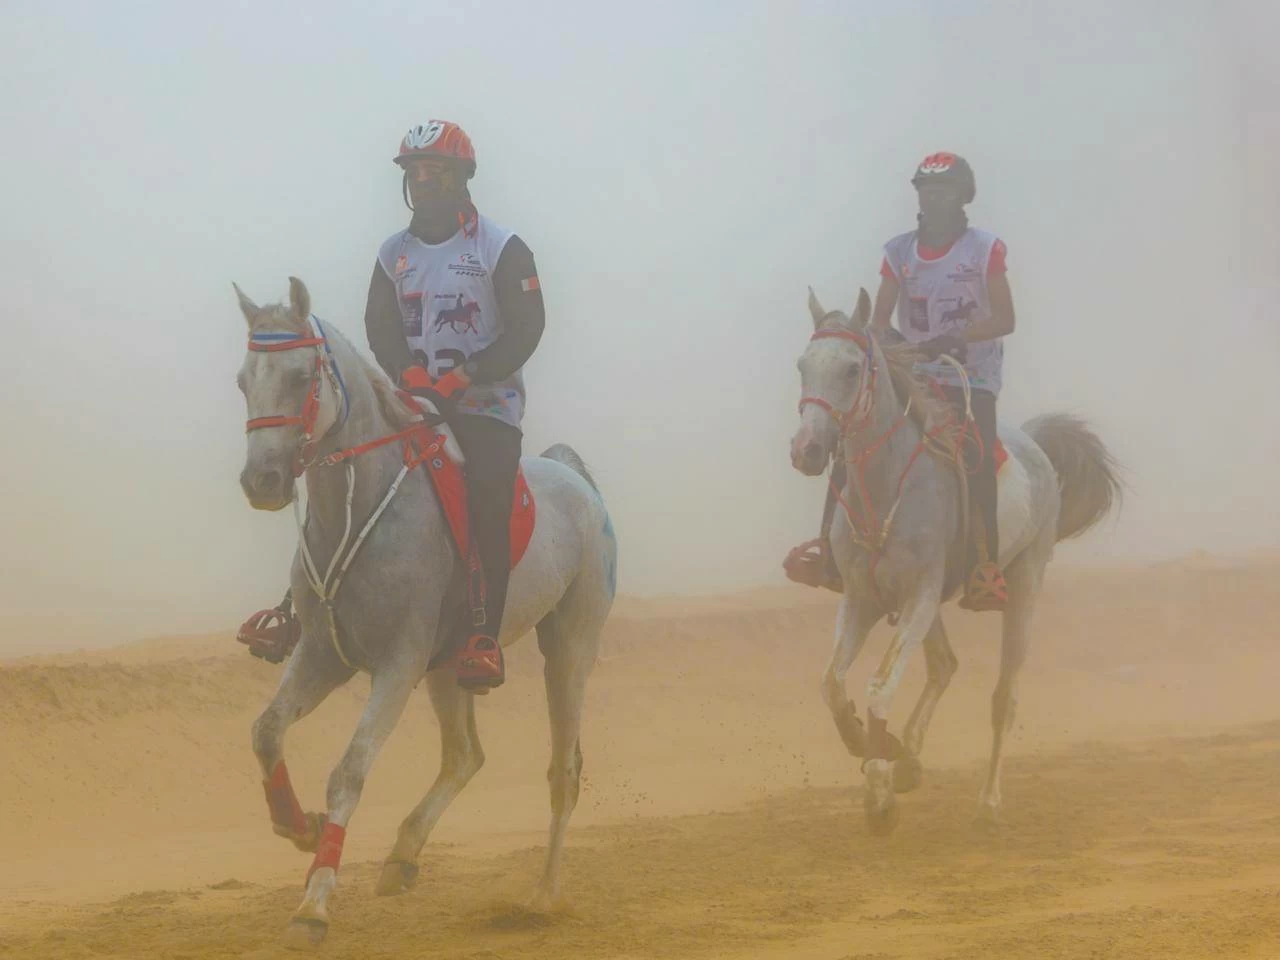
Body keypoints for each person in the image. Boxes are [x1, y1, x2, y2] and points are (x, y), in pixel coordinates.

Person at [784, 152, 1014, 611]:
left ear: (962, 195)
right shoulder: (898, 251)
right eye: (925, 189)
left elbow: (1005, 317)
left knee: (976, 453)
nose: (932, 197)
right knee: (854, 442)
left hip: (972, 376)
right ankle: (829, 552)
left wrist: (954, 336)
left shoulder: (984, 248)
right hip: (917, 370)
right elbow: (883, 317)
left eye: (943, 189)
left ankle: (983, 565)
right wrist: (883, 342)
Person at [364, 120, 546, 687]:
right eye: (413, 173)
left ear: (461, 176)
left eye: (433, 172)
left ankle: (483, 635)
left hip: (485, 408)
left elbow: (528, 327)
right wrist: (407, 372)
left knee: (487, 497)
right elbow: (380, 323)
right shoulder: (393, 253)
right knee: (346, 464)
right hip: (415, 401)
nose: (422, 183)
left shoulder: (503, 247)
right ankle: (300, 610)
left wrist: (468, 374)